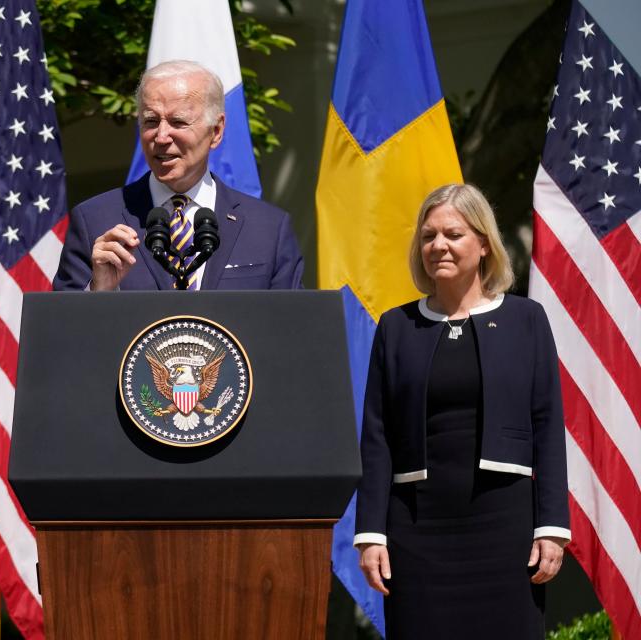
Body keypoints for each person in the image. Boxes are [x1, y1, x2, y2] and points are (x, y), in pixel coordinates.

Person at [354, 184, 569, 638]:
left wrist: (552, 525)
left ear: (484, 242)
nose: (438, 246)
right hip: (416, 530)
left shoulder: (526, 320)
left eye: (453, 234)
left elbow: (548, 424)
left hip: (505, 528)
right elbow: (377, 435)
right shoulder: (396, 326)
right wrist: (371, 533)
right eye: (428, 236)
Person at [53, 60, 303, 291]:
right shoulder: (95, 221)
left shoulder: (269, 229)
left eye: (178, 122)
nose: (161, 137)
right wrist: (98, 292)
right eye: (151, 121)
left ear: (216, 132)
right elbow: (60, 330)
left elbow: (292, 332)